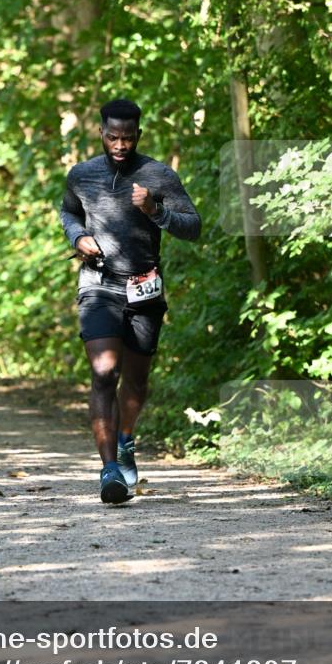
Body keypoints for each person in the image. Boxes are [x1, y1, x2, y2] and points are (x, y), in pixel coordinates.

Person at [60, 98, 201, 504]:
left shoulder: (158, 174)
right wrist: (77, 237)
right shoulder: (82, 174)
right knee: (105, 372)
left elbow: (192, 227)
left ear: (138, 134)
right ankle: (109, 472)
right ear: (101, 133)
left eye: (127, 138)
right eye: (112, 137)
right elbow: (69, 213)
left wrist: (156, 210)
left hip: (145, 287)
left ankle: (125, 439)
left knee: (136, 381)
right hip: (98, 284)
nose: (120, 145)